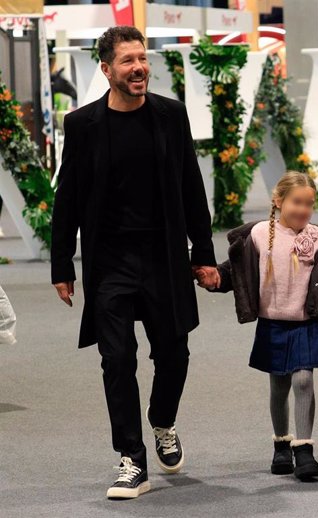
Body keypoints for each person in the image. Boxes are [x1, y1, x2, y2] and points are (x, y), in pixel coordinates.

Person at [50, 26, 218, 499]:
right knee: (116, 358)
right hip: (110, 262)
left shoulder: (170, 115)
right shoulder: (82, 125)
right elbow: (69, 198)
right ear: (106, 70)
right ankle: (131, 457)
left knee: (174, 354)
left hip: (163, 257)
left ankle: (162, 421)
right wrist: (61, 264)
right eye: (127, 61)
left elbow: (191, 189)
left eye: (142, 58)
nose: (139, 67)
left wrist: (203, 255)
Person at [205, 171, 318, 481]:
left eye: (309, 204)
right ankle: (281, 444)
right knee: (279, 384)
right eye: (297, 202)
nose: (304, 210)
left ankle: (304, 449)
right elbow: (235, 270)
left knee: (303, 381)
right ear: (279, 201)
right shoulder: (260, 235)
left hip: (304, 323)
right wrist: (216, 279)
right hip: (272, 323)